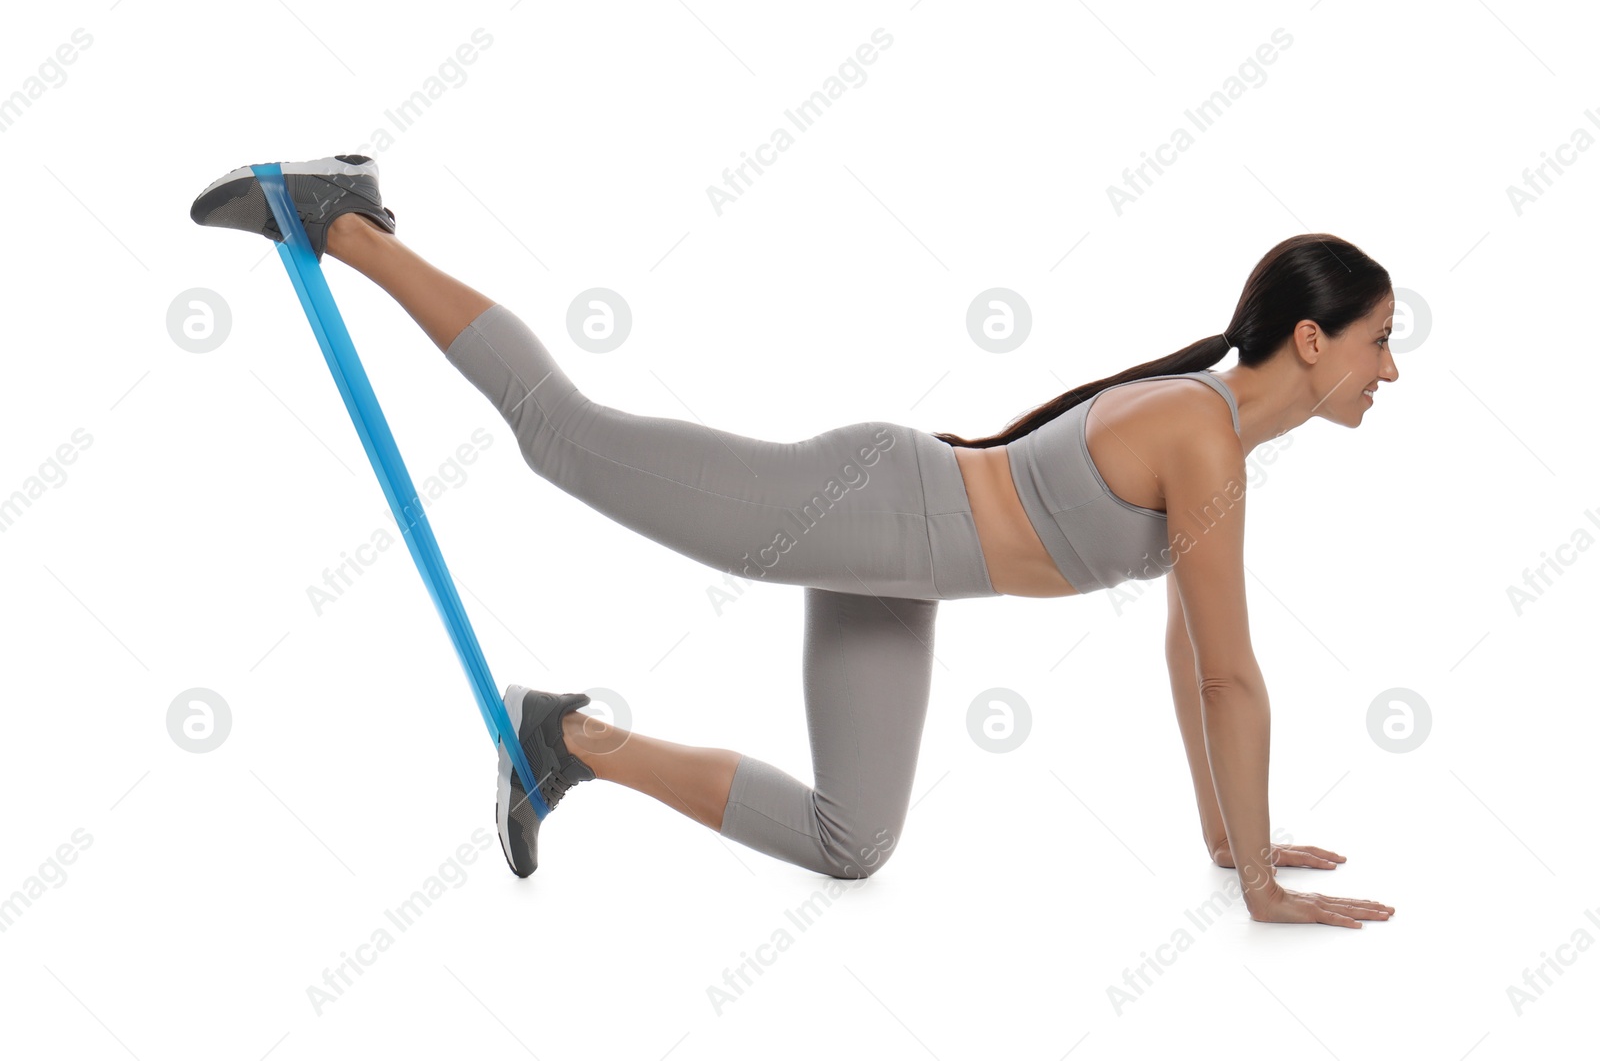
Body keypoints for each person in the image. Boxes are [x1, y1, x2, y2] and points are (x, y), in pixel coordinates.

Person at [192, 155, 1397, 928]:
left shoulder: (1212, 446)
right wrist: (1257, 887)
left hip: (904, 568)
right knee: (562, 436)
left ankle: (560, 738)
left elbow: (1197, 662)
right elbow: (1233, 674)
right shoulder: (1200, 432)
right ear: (1307, 337)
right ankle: (347, 221)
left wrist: (1227, 835)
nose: (1385, 368)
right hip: (874, 508)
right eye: (1376, 340)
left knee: (851, 841)